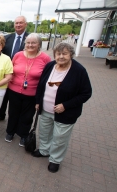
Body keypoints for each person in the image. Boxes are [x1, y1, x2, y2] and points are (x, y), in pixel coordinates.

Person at [33, 42, 92, 173]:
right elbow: (41, 85)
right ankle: (44, 150)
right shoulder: (49, 66)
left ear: (71, 54)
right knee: (44, 132)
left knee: (60, 138)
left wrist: (66, 105)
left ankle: (55, 160)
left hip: (65, 113)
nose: (61, 56)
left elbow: (86, 93)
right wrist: (38, 101)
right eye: (58, 54)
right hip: (45, 109)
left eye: (64, 54)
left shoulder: (79, 71)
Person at [4, 33, 51, 146]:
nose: (30, 45)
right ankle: (10, 132)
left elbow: (47, 77)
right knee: (13, 112)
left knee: (28, 115)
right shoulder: (18, 55)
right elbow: (10, 69)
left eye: (33, 43)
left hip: (32, 93)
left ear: (39, 44)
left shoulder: (45, 58)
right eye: (28, 42)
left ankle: (23, 135)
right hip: (14, 90)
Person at [0, 16, 29, 121]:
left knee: (14, 99)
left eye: (21, 23)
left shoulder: (30, 40)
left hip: (20, 74)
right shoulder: (6, 38)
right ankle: (1, 114)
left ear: (26, 24)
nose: (18, 25)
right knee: (3, 95)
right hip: (5, 73)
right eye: (16, 23)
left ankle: (14, 118)